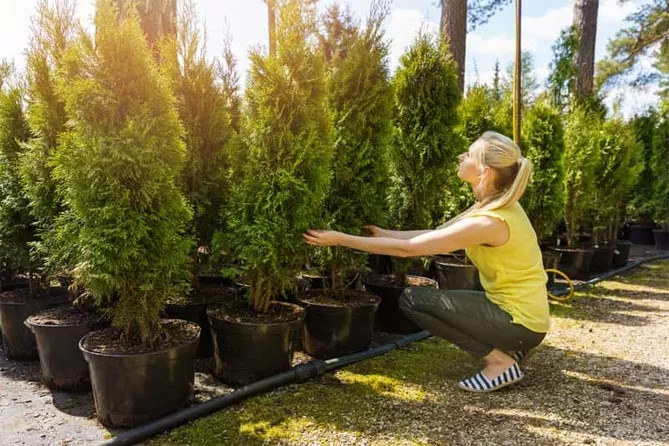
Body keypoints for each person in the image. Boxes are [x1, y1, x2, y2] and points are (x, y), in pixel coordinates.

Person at [304, 131, 549, 393]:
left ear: (484, 172)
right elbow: (436, 234)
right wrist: (385, 234)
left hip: (519, 322)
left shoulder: (489, 222)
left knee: (413, 300)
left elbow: (408, 250)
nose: (461, 156)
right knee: (437, 301)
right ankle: (512, 347)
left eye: (469, 154)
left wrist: (340, 239)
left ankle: (499, 362)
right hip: (524, 318)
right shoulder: (498, 205)